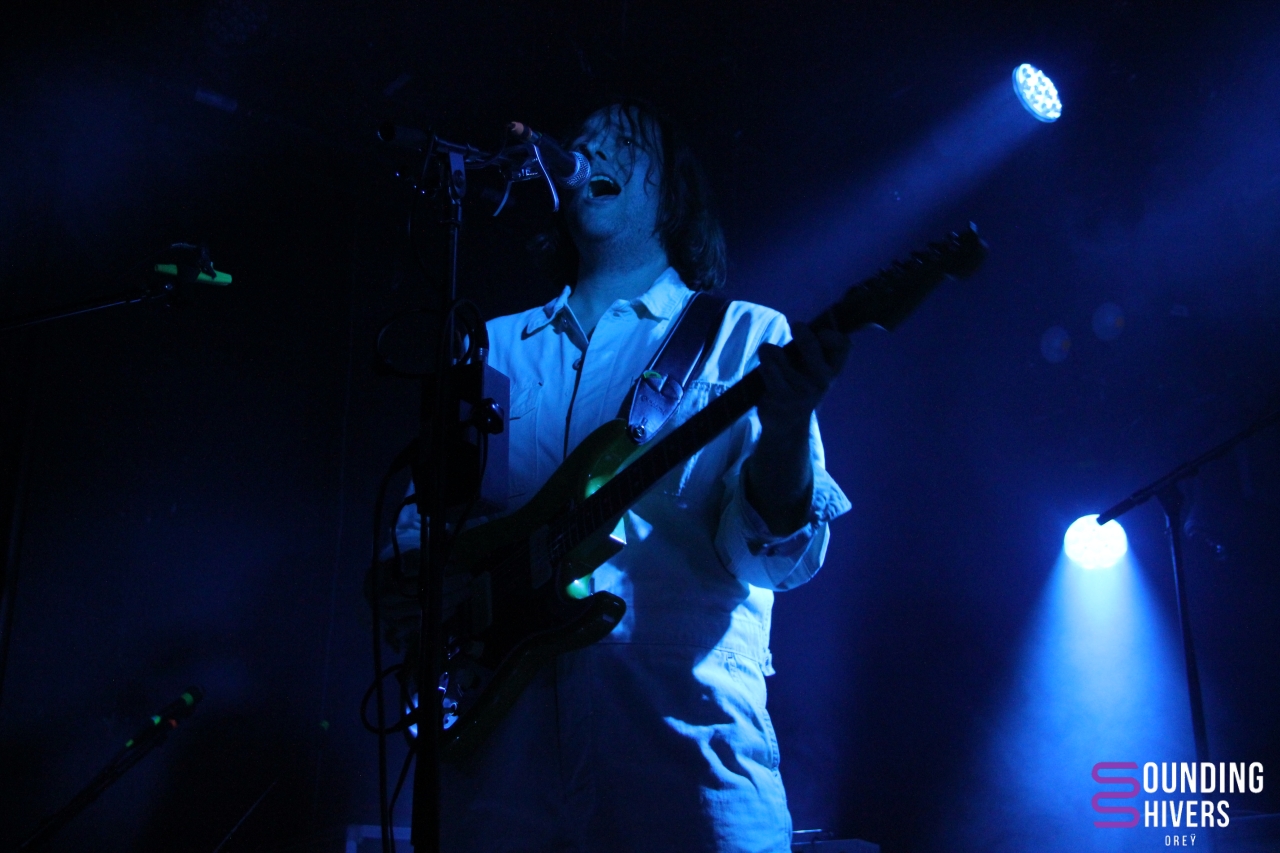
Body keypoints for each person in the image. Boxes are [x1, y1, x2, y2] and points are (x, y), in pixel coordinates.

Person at [382, 100, 852, 853]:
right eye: (582, 141)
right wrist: (443, 606)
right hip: (501, 782)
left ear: (672, 194)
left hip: (682, 773)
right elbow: (416, 539)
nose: (592, 152)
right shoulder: (490, 349)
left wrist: (791, 425)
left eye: (623, 142)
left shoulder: (746, 337)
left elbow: (766, 556)